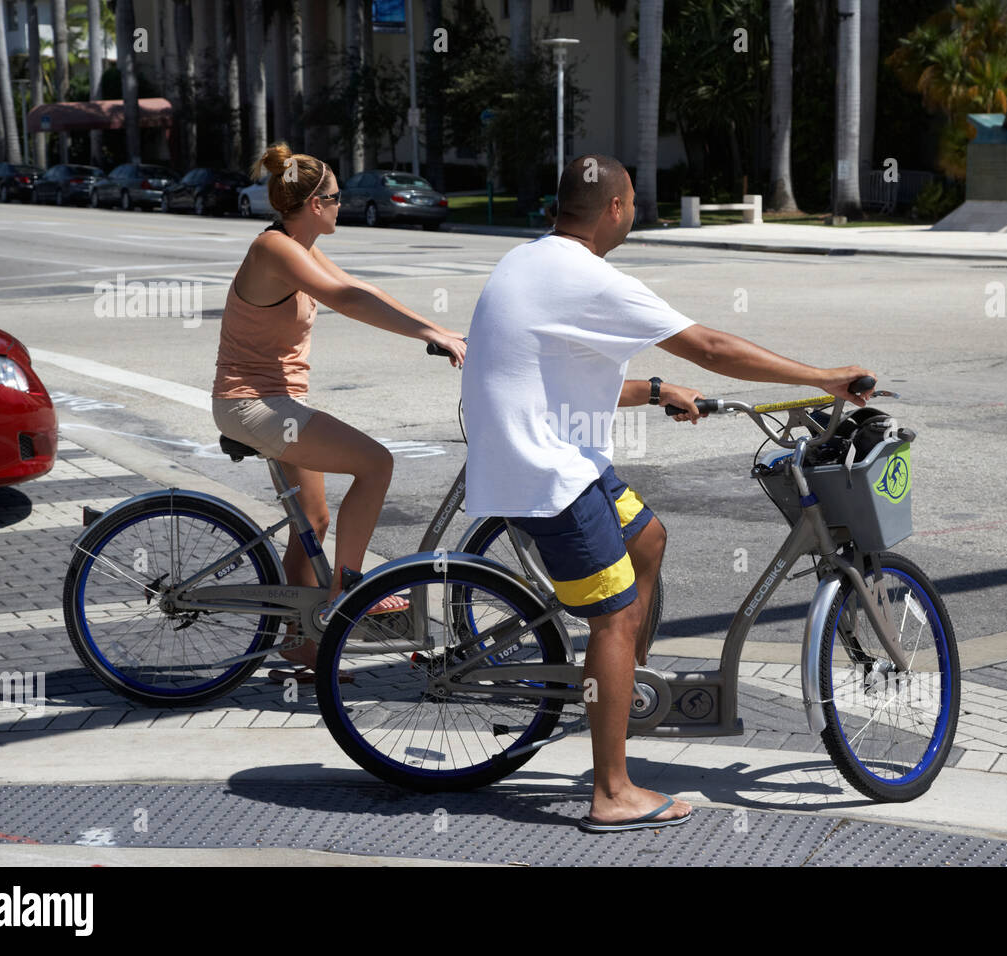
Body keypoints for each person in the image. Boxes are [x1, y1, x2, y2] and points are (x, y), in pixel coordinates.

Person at [460, 153, 874, 832]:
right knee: (613, 619)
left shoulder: (529, 259)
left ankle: (624, 686)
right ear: (617, 208)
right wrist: (826, 376)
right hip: (547, 473)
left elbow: (550, 373)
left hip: (550, 454)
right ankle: (612, 792)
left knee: (648, 536)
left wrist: (654, 390)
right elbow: (709, 346)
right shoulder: (591, 278)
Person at [212, 142, 467, 683]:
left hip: (276, 403)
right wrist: (427, 332)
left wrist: (442, 331)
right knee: (375, 464)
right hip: (253, 405)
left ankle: (297, 643)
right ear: (311, 205)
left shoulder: (298, 244)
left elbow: (361, 289)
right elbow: (345, 300)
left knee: (316, 520)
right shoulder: (275, 250)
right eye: (334, 196)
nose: (340, 204)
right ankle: (349, 590)